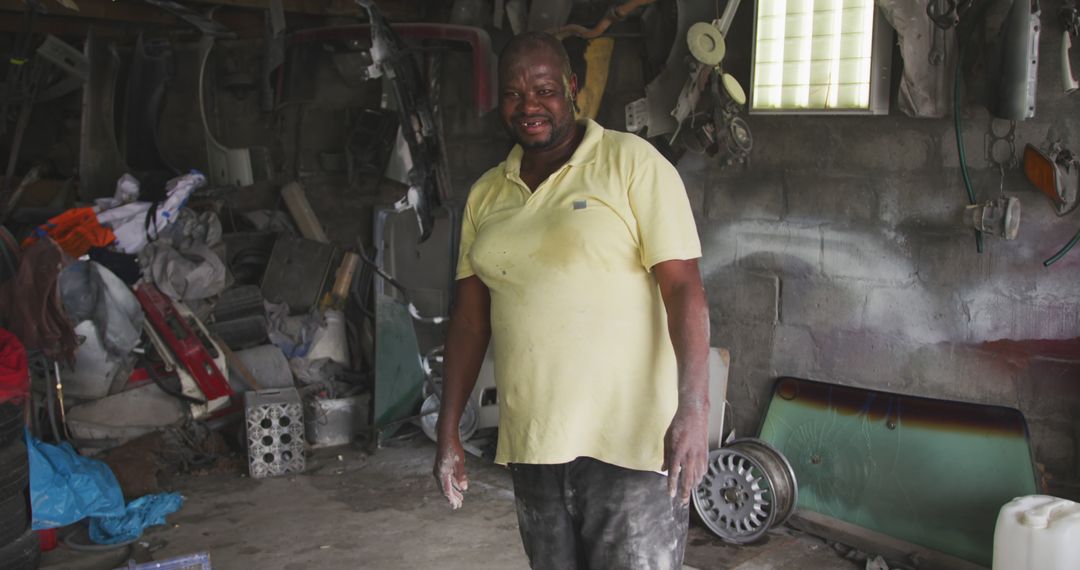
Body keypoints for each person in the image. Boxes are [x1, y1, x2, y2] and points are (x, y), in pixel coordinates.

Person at [433, 31, 710, 569]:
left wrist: (693, 409)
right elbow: (469, 323)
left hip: (628, 445)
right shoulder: (487, 193)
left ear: (572, 89)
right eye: (513, 94)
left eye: (543, 89)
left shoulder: (631, 164)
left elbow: (684, 290)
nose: (529, 105)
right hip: (534, 443)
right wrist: (449, 432)